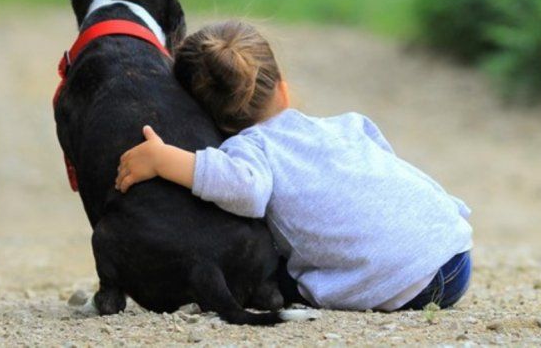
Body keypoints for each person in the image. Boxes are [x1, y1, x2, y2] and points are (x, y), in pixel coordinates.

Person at [115, 21, 472, 311]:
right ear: (282, 88)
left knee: (274, 274)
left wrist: (166, 160)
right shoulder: (348, 124)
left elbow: (245, 189)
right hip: (453, 251)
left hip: (405, 285)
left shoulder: (250, 148)